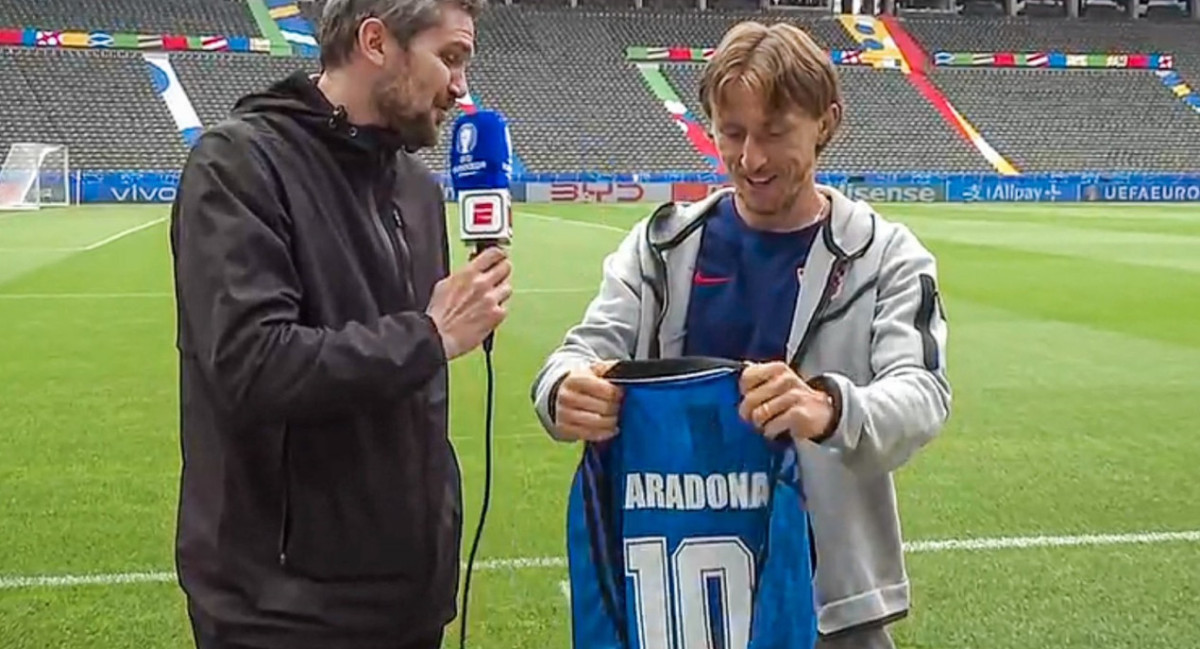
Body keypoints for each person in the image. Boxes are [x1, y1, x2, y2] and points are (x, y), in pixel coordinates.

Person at [531, 20, 951, 649]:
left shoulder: (885, 256)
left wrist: (831, 406)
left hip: (831, 606)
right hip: (676, 596)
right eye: (732, 133)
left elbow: (923, 394)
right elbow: (582, 352)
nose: (750, 159)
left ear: (826, 123)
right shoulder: (661, 247)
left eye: (776, 134)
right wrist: (562, 389)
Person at [169, 0, 510, 647]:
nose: (461, 85)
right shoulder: (238, 164)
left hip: (410, 596)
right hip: (281, 610)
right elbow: (252, 365)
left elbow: (414, 398)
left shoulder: (415, 189)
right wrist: (429, 336)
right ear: (376, 41)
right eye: (450, 57)